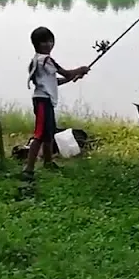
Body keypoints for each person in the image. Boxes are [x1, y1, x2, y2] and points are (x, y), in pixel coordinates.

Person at [22, 26, 90, 181]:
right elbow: (65, 72)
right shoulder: (46, 60)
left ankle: (48, 162)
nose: (49, 44)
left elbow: (55, 81)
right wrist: (81, 69)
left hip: (45, 100)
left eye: (50, 41)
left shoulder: (37, 60)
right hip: (42, 102)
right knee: (39, 135)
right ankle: (28, 169)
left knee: (48, 133)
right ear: (37, 44)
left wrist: (74, 76)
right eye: (44, 42)